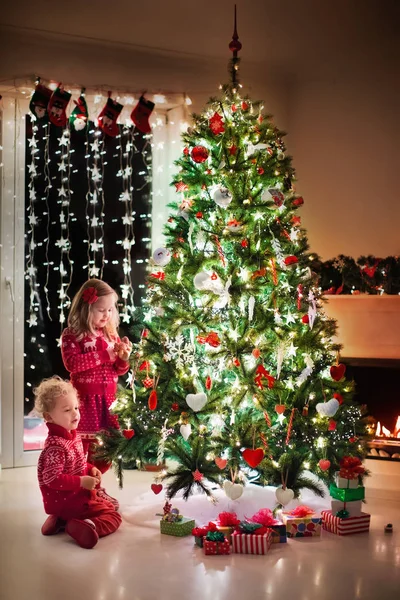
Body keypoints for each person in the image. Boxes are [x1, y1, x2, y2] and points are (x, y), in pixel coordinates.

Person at [35, 376, 122, 549]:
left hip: (67, 500)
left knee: (107, 503)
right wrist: (82, 482)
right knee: (113, 514)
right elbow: (53, 479)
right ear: (48, 417)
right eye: (67, 410)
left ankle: (60, 519)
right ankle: (89, 525)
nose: (75, 413)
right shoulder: (56, 446)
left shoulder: (72, 436)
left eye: (76, 407)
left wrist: (90, 469)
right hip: (72, 500)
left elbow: (75, 465)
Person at [61, 279, 132, 475]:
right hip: (85, 401)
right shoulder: (72, 334)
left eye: (110, 310)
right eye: (102, 310)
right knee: (82, 447)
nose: (107, 314)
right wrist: (105, 355)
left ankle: (95, 484)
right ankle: (83, 486)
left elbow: (118, 370)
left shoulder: (111, 335)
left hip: (109, 401)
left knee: (106, 448)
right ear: (86, 308)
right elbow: (73, 364)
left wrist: (123, 359)